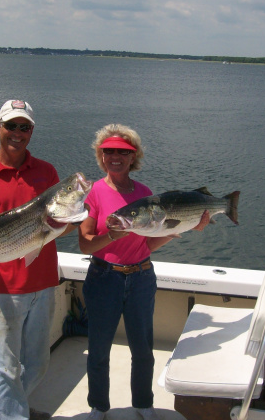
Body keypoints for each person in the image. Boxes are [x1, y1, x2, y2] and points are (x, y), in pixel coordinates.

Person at [78, 124, 210, 420]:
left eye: (123, 152)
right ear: (101, 155)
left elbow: (149, 244)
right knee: (98, 350)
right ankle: (98, 406)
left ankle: (142, 403)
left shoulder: (146, 193)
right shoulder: (94, 193)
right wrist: (114, 236)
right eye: (109, 151)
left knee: (143, 348)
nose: (115, 156)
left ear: (132, 157)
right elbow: (85, 244)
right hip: (103, 279)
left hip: (141, 277)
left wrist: (188, 227)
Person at [0, 99, 70, 420]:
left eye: (24, 127)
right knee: (4, 366)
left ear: (31, 131)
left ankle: (13, 410)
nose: (17, 133)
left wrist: (58, 226)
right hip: (3, 290)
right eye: (11, 126)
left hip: (44, 284)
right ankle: (11, 415)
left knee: (38, 362)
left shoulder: (47, 172)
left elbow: (58, 227)